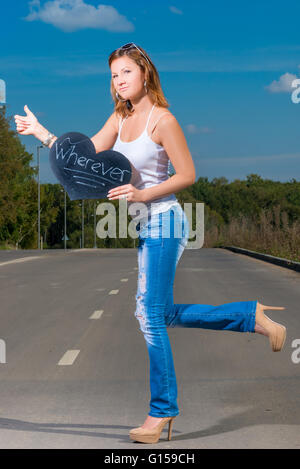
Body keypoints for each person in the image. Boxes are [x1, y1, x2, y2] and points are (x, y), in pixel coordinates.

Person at [14, 42, 287, 445]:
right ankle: (251, 317)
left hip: (166, 221)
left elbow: (188, 174)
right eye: (113, 75)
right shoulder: (119, 119)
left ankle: (161, 411)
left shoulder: (163, 121)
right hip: (146, 227)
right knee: (154, 313)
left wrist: (144, 194)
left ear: (144, 72)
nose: (119, 81)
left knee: (150, 318)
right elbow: (82, 158)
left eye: (125, 72)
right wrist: (43, 133)